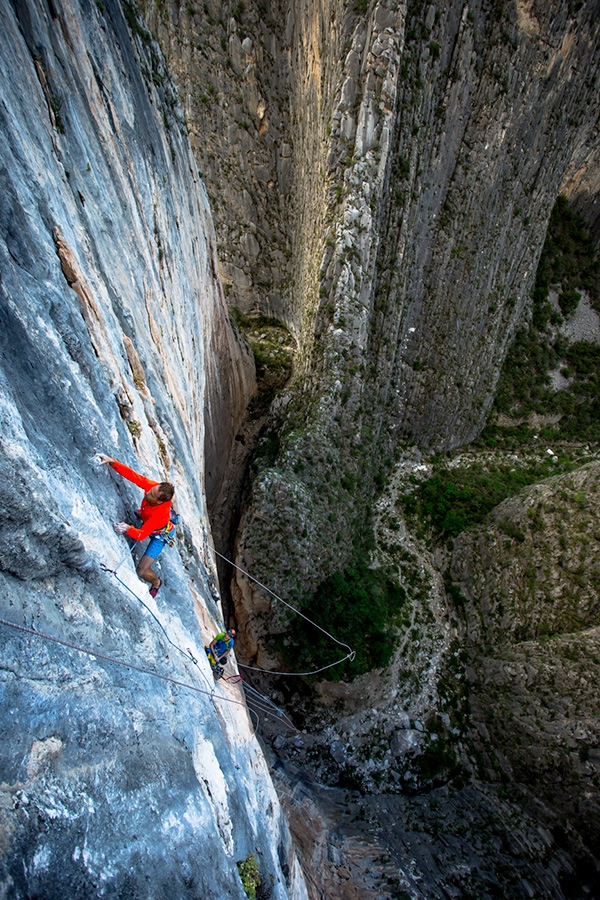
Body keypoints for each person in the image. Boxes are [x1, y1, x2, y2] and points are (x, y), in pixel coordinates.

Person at [98, 454, 175, 597]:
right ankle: (144, 514)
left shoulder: (159, 515)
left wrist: (128, 528)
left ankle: (156, 582)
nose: (147, 491)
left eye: (151, 494)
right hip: (150, 518)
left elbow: (141, 535)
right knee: (143, 512)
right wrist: (113, 462)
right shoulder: (153, 488)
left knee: (141, 570)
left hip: (159, 534)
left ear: (159, 502)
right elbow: (134, 477)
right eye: (151, 490)